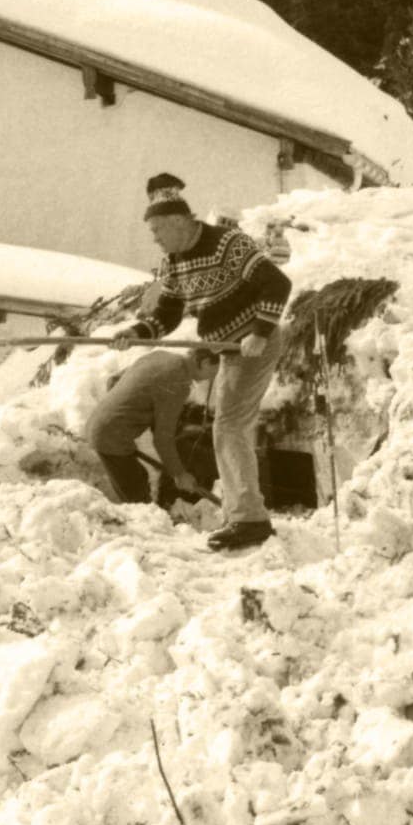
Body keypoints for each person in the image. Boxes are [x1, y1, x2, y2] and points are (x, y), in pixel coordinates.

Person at [116, 174, 291, 551]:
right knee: (225, 428)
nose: (154, 237)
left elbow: (278, 284)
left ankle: (250, 520)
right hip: (227, 348)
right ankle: (243, 515)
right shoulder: (173, 263)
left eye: (158, 228)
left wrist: (260, 331)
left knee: (229, 427)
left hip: (254, 344)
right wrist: (136, 332)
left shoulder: (228, 244)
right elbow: (167, 315)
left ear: (180, 222)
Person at [86, 347, 219, 506]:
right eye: (214, 370)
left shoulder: (161, 356)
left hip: (100, 424)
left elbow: (113, 381)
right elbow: (162, 439)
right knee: (136, 498)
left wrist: (120, 413)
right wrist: (180, 474)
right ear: (204, 363)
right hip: (110, 437)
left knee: (138, 476)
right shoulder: (178, 382)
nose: (213, 377)